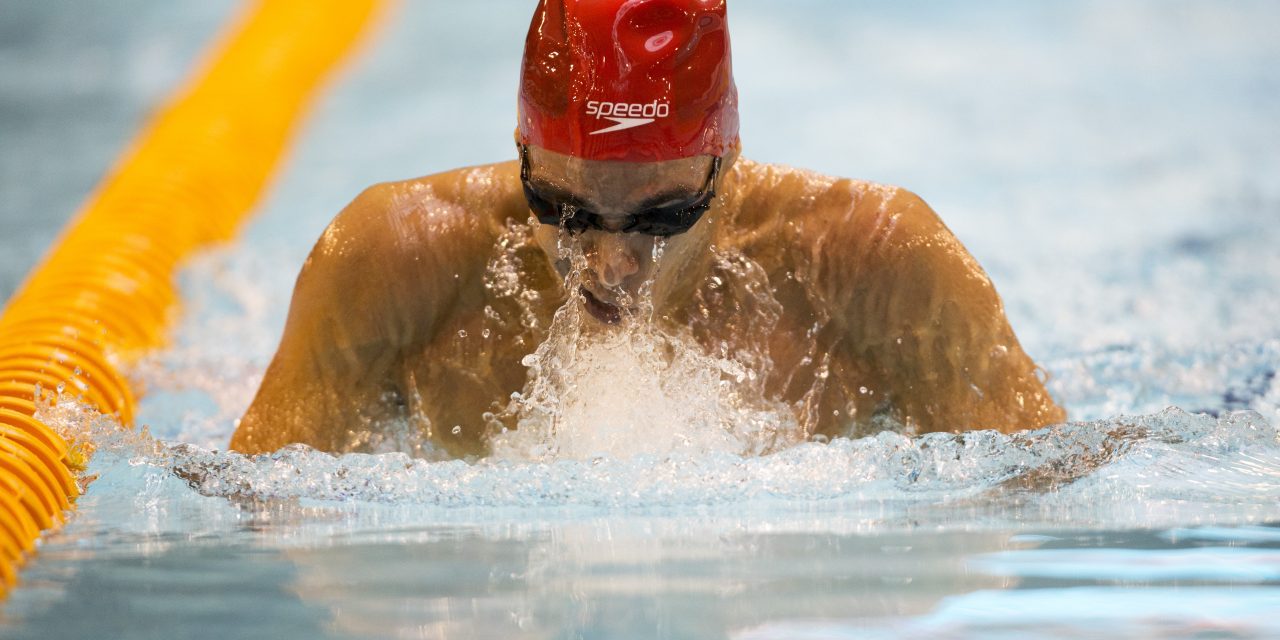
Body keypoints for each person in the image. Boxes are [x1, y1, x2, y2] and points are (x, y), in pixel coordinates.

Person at [229, 0, 1065, 457]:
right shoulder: (392, 257)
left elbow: (1046, 489)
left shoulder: (874, 263)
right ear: (521, 151)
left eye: (664, 217)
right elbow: (253, 514)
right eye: (563, 209)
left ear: (726, 164)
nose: (610, 263)